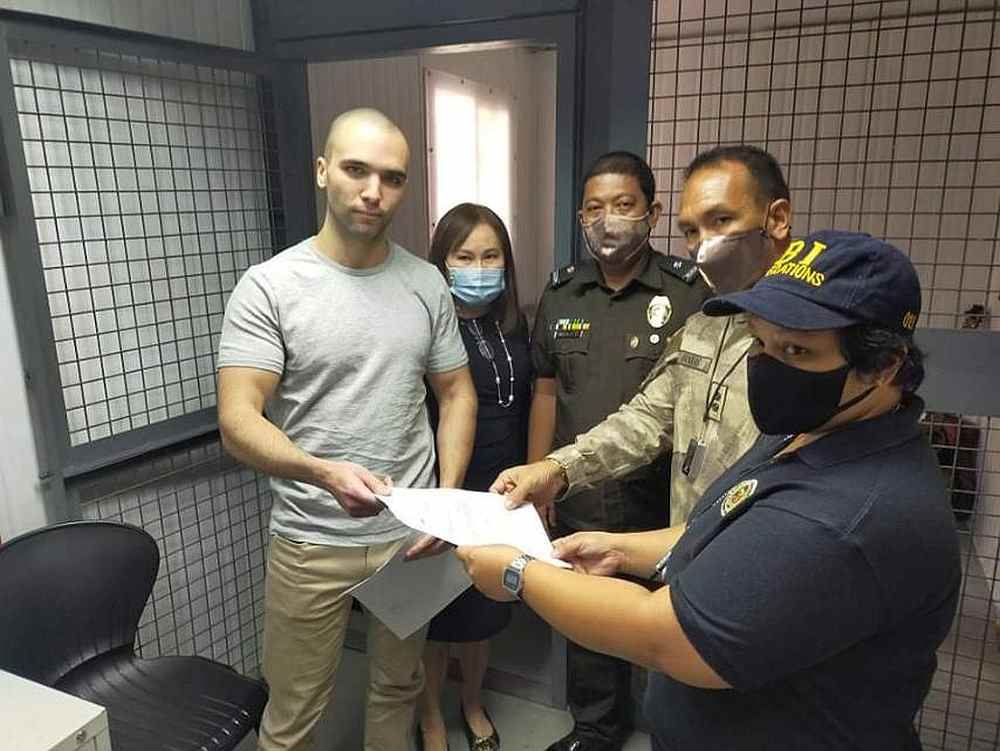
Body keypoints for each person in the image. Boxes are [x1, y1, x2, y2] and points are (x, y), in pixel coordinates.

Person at [457, 229, 962, 750]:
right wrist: (622, 549)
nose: (768, 364)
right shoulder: (816, 430)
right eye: (759, 341)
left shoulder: (846, 515)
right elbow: (726, 523)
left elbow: (663, 636)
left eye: (797, 350)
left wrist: (519, 574)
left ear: (884, 366)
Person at [216, 108, 477, 751]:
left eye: (392, 178)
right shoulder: (270, 287)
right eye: (357, 171)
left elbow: (456, 392)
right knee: (293, 712)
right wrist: (321, 472)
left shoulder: (425, 284)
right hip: (310, 537)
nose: (373, 192)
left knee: (399, 688)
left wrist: (443, 501)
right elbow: (238, 417)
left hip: (409, 537)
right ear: (322, 171)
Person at [494, 145, 794, 532]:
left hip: (762, 546)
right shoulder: (707, 325)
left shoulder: (817, 330)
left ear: (778, 218)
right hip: (688, 542)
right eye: (691, 230)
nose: (704, 243)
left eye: (721, 220)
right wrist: (555, 469)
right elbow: (646, 419)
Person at [528, 151, 708, 751]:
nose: (610, 221)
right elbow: (547, 391)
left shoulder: (690, 292)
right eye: (596, 209)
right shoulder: (561, 294)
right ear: (581, 216)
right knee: (588, 609)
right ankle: (595, 729)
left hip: (664, 499)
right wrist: (538, 481)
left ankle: (670, 730)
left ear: (653, 213)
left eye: (624, 206)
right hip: (580, 488)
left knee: (674, 620)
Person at [415, 203, 532, 751]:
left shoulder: (512, 321)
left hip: (501, 490)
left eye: (491, 256)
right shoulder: (425, 328)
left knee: (485, 609)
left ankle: (472, 701)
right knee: (437, 616)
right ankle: (432, 719)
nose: (480, 267)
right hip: (445, 485)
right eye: (465, 256)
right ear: (442, 262)